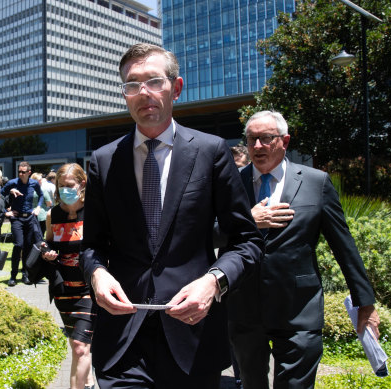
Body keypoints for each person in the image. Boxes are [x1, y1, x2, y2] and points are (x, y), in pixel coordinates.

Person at [80, 43, 263, 389]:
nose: (143, 93)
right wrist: (98, 275)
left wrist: (214, 282)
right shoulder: (103, 161)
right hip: (123, 340)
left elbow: (247, 241)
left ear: (176, 88)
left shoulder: (211, 152)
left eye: (154, 81)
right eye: (132, 85)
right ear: (124, 94)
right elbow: (91, 246)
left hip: (192, 336)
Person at [226, 110, 380, 389]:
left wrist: (365, 304)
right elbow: (207, 232)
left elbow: (343, 245)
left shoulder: (315, 182)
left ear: (284, 141)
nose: (257, 146)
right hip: (245, 308)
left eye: (266, 138)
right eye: (251, 140)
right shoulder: (231, 182)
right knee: (251, 383)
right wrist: (250, 219)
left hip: (299, 308)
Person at [42, 163, 95, 389]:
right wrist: (46, 252)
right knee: (79, 343)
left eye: (69, 185)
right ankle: (88, 380)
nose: (65, 189)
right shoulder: (52, 214)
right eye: (61, 185)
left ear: (82, 184)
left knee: (79, 347)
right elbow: (48, 241)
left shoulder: (95, 211)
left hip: (89, 289)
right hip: (63, 289)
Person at [1, 161, 44, 286]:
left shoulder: (34, 183)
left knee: (28, 246)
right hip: (17, 219)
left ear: (29, 173)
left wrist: (38, 207)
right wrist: (5, 212)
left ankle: (25, 274)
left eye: (23, 172)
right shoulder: (12, 183)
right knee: (18, 244)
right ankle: (13, 275)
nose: (21, 174)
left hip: (30, 218)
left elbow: (41, 195)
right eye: (19, 171)